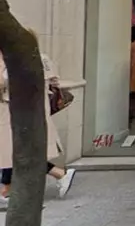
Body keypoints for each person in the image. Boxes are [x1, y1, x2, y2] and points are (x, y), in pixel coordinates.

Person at [0, 29, 77, 204]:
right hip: (32, 110)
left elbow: (3, 83)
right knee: (18, 150)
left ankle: (59, 174)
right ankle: (8, 188)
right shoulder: (41, 58)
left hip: (16, 112)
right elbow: (54, 81)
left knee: (16, 150)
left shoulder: (15, 60)